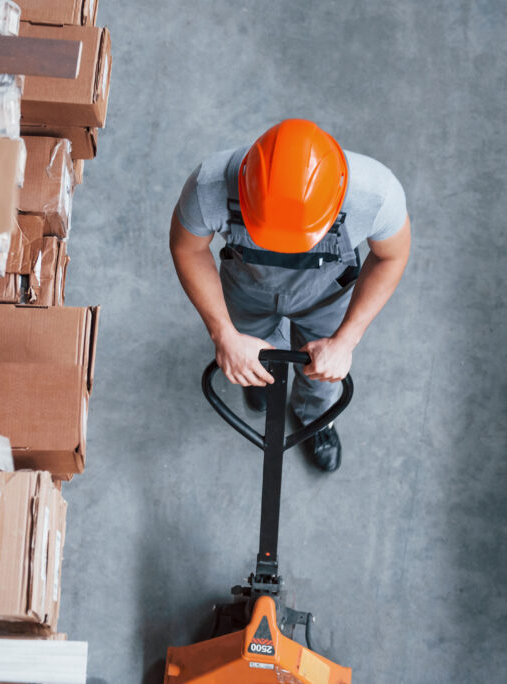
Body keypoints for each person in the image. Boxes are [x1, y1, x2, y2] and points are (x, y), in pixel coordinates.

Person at [170, 119, 411, 472]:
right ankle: (258, 377)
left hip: (326, 297)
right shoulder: (210, 185)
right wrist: (224, 334)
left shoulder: (375, 194)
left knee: (322, 374)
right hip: (247, 288)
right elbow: (187, 249)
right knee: (252, 355)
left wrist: (345, 341)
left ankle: (315, 419)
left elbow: (392, 256)